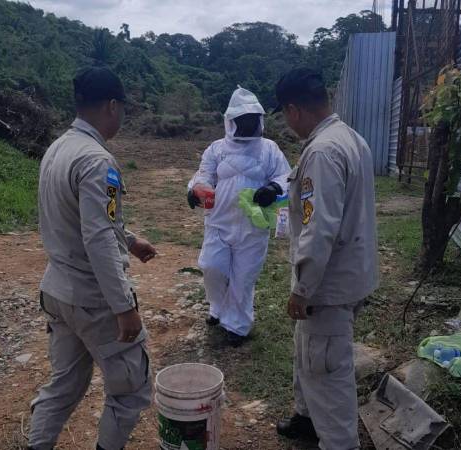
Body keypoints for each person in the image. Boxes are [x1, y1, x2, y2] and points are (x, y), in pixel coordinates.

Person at [28, 67, 157, 450]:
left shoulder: (58, 149)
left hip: (57, 291)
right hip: (93, 298)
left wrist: (130, 240)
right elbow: (99, 236)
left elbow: (84, 219)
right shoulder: (99, 161)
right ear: (112, 106)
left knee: (64, 385)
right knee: (131, 390)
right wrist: (124, 305)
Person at [274, 68, 379, 449]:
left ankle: (337, 441)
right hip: (349, 273)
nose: (287, 124)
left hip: (327, 284)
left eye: (285, 116)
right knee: (309, 351)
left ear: (293, 109)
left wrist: (302, 289)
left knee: (326, 367)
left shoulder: (321, 151)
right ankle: (306, 418)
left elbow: (319, 229)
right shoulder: (352, 139)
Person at [187, 86, 291, 347]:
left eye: (251, 119)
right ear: (231, 121)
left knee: (243, 278)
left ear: (259, 120)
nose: (247, 124)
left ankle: (237, 325)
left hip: (253, 225)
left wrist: (273, 188)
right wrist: (193, 189)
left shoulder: (269, 149)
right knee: (212, 267)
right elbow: (204, 174)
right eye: (242, 120)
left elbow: (285, 177)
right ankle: (217, 308)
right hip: (218, 222)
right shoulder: (216, 149)